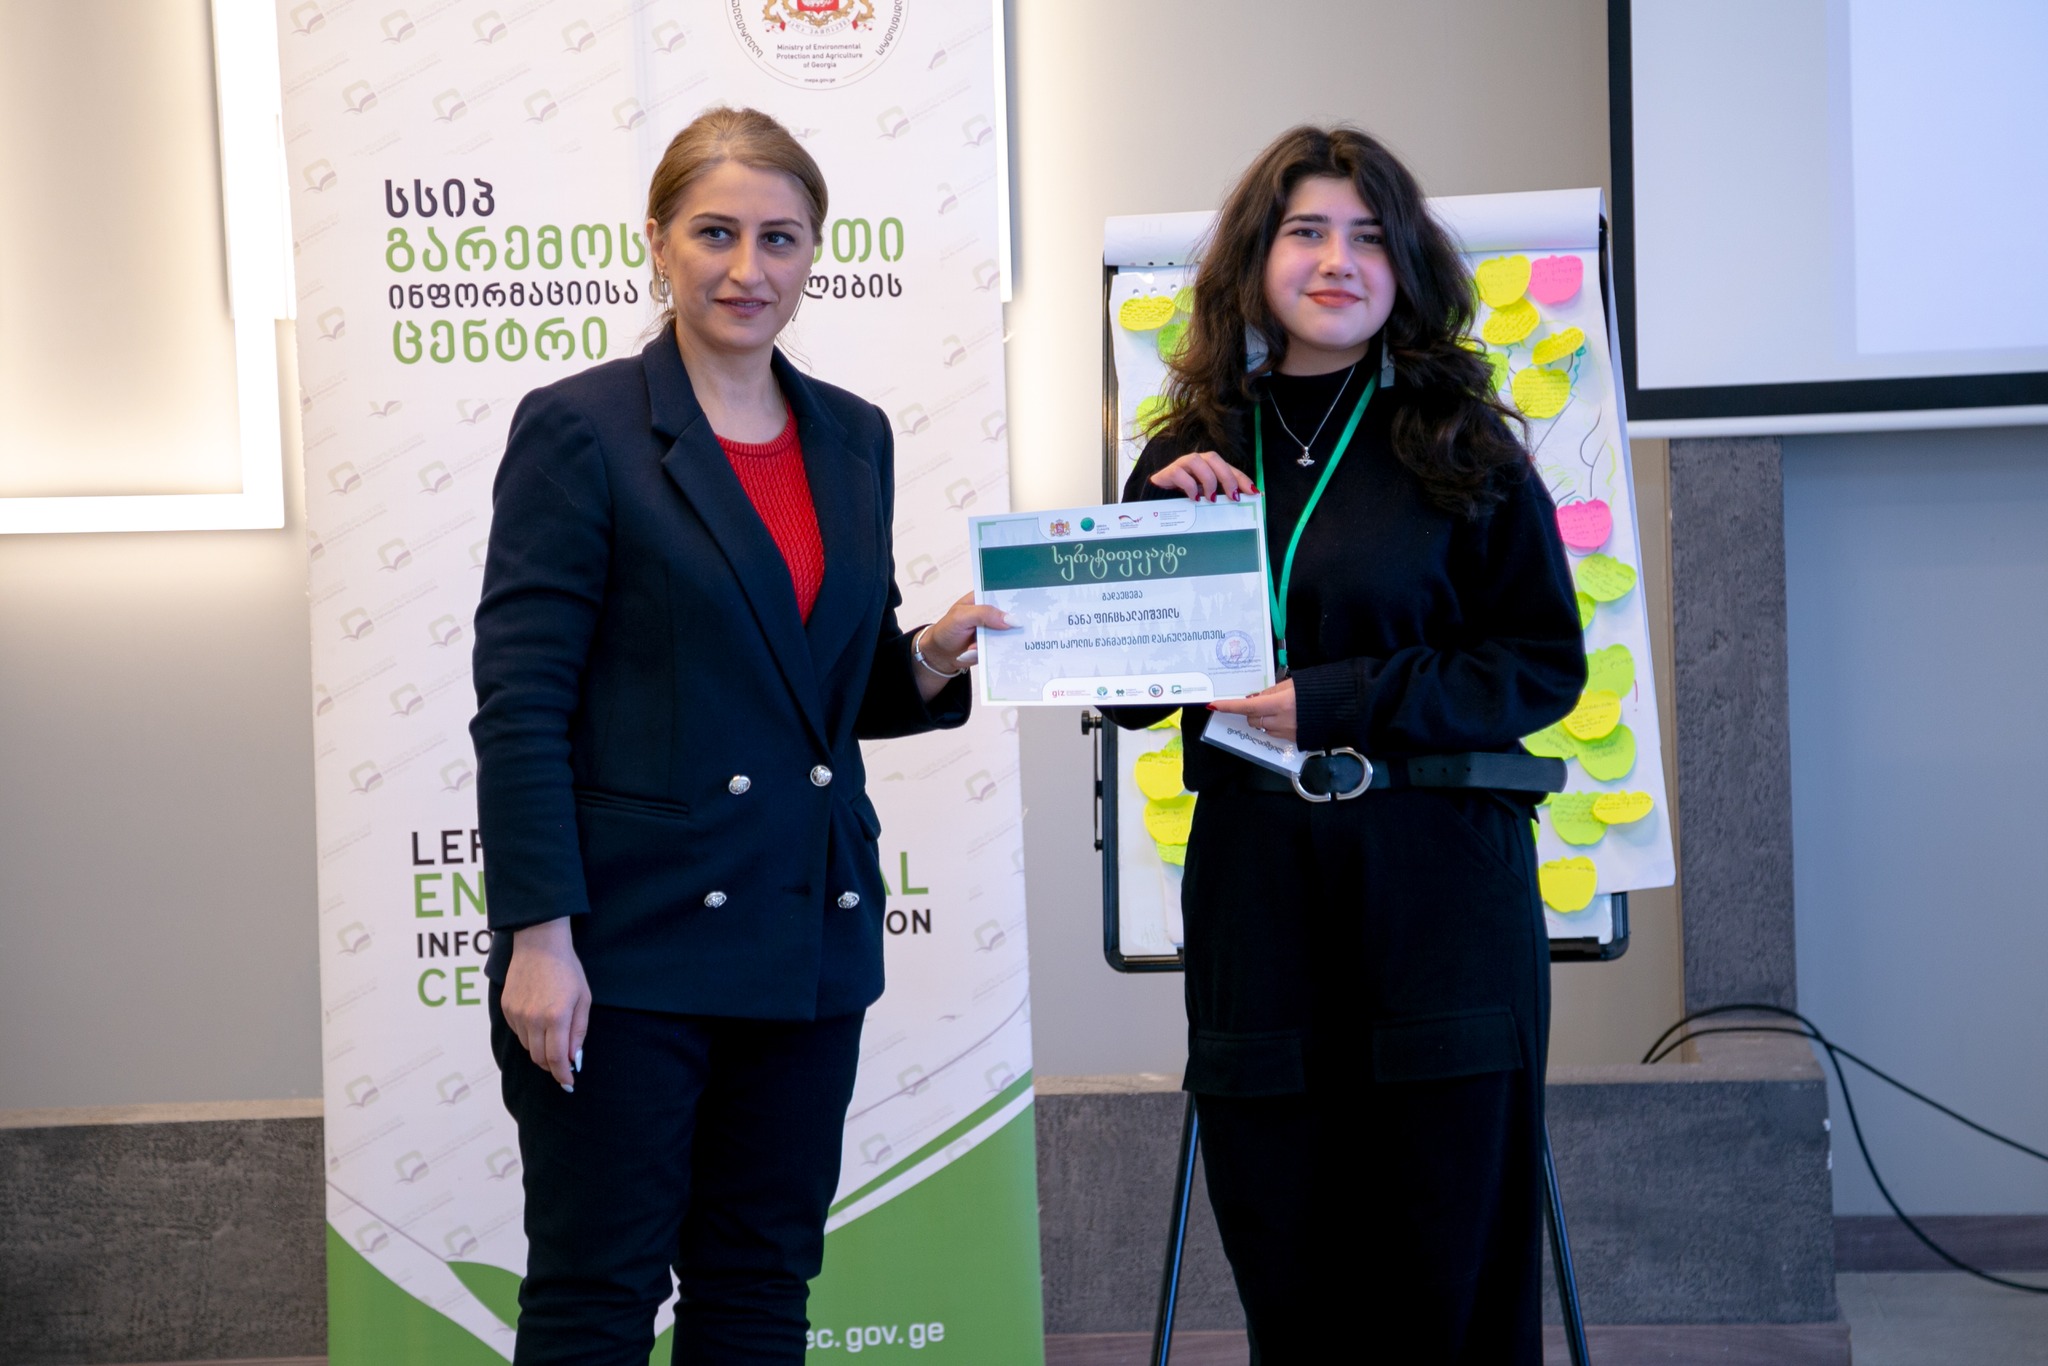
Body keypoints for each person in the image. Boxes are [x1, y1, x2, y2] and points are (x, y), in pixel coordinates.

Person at [469, 107, 1006, 1365]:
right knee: (596, 1295)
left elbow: (822, 694)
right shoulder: (580, 428)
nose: (746, 268)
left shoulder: (853, 434)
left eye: (779, 238)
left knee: (760, 1288)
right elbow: (522, 702)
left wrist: (928, 657)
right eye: (714, 233)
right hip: (625, 948)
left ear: (814, 251)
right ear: (657, 241)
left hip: (804, 934)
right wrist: (538, 935)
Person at [1114, 125, 1587, 1363]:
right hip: (1257, 886)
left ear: (1405, 265)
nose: (1337, 260)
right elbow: (1122, 695)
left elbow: (1538, 666)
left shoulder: (1462, 442)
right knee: (1287, 1251)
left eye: (1368, 237)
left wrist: (1340, 699)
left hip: (1436, 878)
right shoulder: (1186, 453)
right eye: (1307, 231)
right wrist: (1148, 536)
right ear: (1253, 259)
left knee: (1447, 1256)